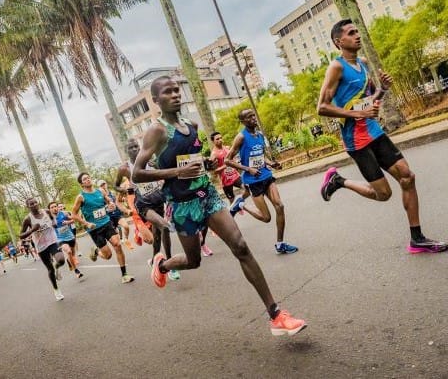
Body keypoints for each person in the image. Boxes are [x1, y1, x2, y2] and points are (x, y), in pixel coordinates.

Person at [133, 76, 307, 336]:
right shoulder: (157, 131)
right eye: (168, 92)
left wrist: (206, 163)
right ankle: (163, 266)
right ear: (156, 100)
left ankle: (276, 315)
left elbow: (191, 160)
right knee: (193, 261)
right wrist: (177, 173)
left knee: (241, 246)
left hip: (207, 195)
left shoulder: (191, 125)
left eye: (177, 90)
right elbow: (137, 173)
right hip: (182, 205)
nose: (175, 95)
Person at [317, 19, 448, 254]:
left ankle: (417, 239)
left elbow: (370, 100)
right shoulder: (336, 67)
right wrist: (358, 113)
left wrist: (383, 89)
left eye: (357, 31)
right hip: (356, 140)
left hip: (374, 131)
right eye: (351, 33)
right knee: (383, 194)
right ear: (339, 41)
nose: (357, 35)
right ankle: (339, 181)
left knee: (407, 177)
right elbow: (322, 107)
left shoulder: (363, 63)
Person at [225, 109, 299, 255]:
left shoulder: (259, 135)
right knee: (266, 218)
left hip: (266, 176)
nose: (253, 118)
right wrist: (248, 169)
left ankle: (280, 244)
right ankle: (241, 205)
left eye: (253, 115)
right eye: (249, 117)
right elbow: (227, 160)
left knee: (280, 206)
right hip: (253, 181)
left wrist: (271, 164)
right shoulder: (241, 137)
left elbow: (260, 156)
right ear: (243, 121)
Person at [115, 138, 179, 281]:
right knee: (165, 227)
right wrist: (126, 190)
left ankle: (154, 259)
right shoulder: (125, 168)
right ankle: (170, 265)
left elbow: (164, 173)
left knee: (157, 235)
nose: (134, 149)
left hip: (158, 201)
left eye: (136, 146)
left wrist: (159, 168)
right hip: (143, 205)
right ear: (126, 151)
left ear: (140, 147)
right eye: (131, 148)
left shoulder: (150, 162)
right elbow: (116, 185)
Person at [71, 173, 134, 284]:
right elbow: (74, 215)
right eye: (85, 179)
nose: (88, 179)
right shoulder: (81, 197)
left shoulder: (100, 191)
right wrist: (86, 223)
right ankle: (96, 251)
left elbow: (109, 201)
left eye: (88, 177)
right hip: (94, 229)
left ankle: (124, 275)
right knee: (108, 255)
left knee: (117, 245)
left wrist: (111, 204)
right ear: (81, 184)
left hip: (106, 223)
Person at [20, 197, 66, 301]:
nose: (34, 205)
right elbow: (21, 235)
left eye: (35, 202)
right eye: (31, 204)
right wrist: (32, 230)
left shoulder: (46, 211)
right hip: (41, 246)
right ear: (28, 206)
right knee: (50, 269)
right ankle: (56, 289)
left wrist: (54, 223)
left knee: (61, 260)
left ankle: (57, 266)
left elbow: (53, 219)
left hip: (52, 241)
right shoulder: (28, 219)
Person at [48, 201, 83, 280]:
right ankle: (76, 271)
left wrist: (68, 222)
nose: (54, 208)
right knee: (69, 251)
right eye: (52, 207)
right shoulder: (49, 219)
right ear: (49, 210)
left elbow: (74, 220)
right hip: (60, 239)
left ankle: (69, 260)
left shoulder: (64, 213)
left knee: (72, 255)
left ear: (57, 207)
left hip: (70, 237)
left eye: (55, 206)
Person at [209, 131, 246, 205]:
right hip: (226, 181)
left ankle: (239, 203)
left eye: (221, 138)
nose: (220, 140)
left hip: (235, 176)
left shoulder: (227, 148)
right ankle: (235, 208)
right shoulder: (213, 155)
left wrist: (235, 164)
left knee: (247, 188)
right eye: (217, 139)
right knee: (232, 201)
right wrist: (226, 165)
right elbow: (214, 171)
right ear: (213, 141)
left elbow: (233, 159)